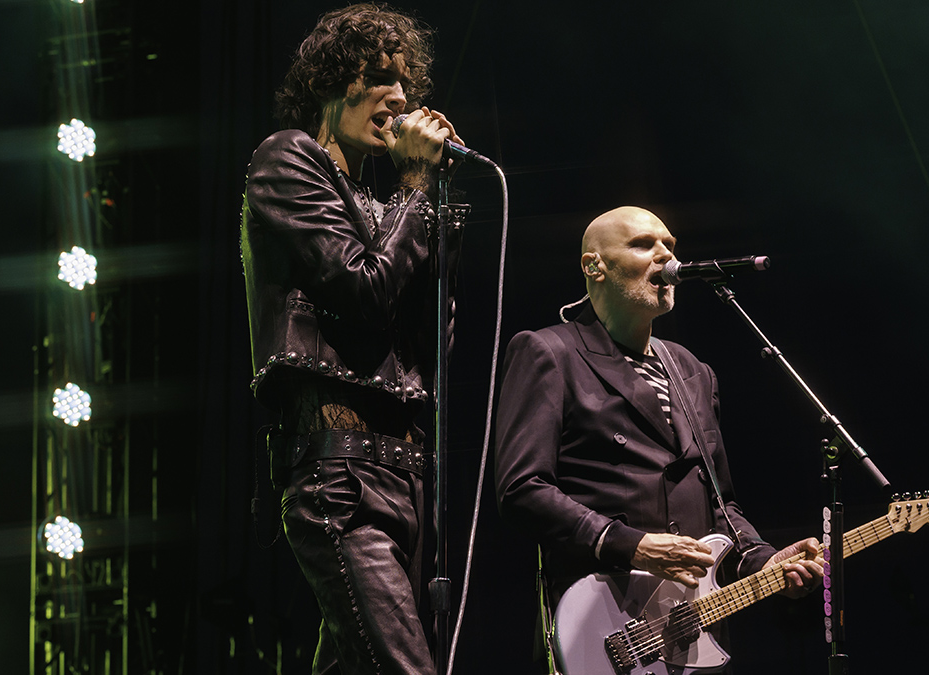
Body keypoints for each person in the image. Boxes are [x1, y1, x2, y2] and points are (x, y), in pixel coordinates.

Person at [240, 4, 467, 674]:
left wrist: (438, 223)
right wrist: (417, 188)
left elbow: (434, 344)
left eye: (406, 84)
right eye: (379, 78)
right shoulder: (288, 160)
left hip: (409, 480)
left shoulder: (387, 207)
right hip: (340, 477)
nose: (400, 98)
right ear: (333, 82)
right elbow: (363, 289)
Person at [494, 206, 823, 666]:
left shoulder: (692, 370)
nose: (665, 257)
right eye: (644, 245)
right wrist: (634, 544)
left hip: (686, 628)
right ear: (594, 266)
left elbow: (721, 506)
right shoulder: (549, 351)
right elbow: (521, 489)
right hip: (602, 623)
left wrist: (762, 560)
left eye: (669, 246)